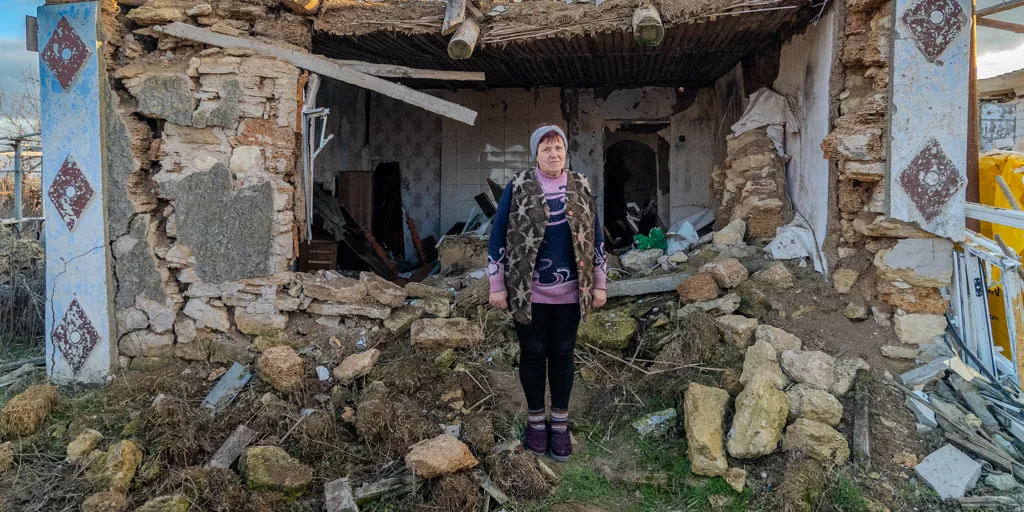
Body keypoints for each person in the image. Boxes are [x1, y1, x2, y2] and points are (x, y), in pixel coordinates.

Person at [487, 125, 608, 461]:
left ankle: (560, 424)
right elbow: (497, 237)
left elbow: (596, 237)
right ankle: (536, 422)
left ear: (565, 152)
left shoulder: (581, 185)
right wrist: (497, 285)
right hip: (529, 291)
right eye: (546, 149)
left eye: (558, 148)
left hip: (571, 292)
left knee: (564, 352)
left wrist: (600, 283)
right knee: (533, 352)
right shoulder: (519, 186)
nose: (553, 154)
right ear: (535, 154)